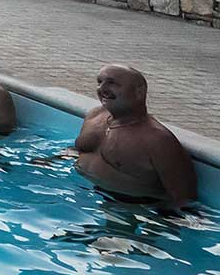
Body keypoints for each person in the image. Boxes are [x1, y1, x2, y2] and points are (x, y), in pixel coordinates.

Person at [72, 65, 197, 207]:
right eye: (99, 82)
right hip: (81, 192)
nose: (102, 88)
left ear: (139, 92)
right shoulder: (95, 115)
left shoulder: (157, 140)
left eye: (112, 83)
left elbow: (184, 198)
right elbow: (80, 151)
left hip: (128, 207)